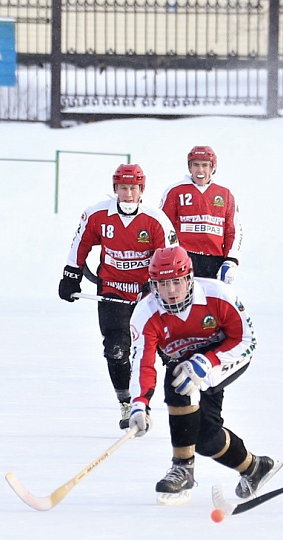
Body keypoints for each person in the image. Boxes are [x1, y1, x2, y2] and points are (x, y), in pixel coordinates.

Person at [126, 245, 281, 505]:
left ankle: (183, 469)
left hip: (227, 354)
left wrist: (207, 362)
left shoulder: (218, 294)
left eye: (177, 282)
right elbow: (143, 362)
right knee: (204, 437)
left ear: (189, 278)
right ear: (153, 285)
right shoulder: (145, 313)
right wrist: (139, 405)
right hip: (185, 361)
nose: (171, 291)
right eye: (163, 284)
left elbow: (246, 339)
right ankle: (254, 468)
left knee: (179, 379)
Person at [58, 164, 178, 430]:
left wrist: (162, 290)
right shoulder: (97, 214)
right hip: (111, 288)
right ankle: (126, 403)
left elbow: (170, 257)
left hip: (148, 293)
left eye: (133, 188)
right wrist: (71, 274)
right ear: (115, 189)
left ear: (141, 190)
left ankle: (180, 403)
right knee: (115, 349)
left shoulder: (156, 219)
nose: (128, 193)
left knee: (166, 349)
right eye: (123, 188)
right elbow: (81, 243)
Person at [159, 146, 242, 282]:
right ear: (189, 167)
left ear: (212, 168)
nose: (200, 170)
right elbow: (162, 228)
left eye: (205, 165)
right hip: (183, 259)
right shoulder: (175, 191)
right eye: (196, 165)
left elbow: (233, 230)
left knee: (211, 301)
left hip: (215, 261)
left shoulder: (225, 194)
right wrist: (166, 257)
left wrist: (231, 260)